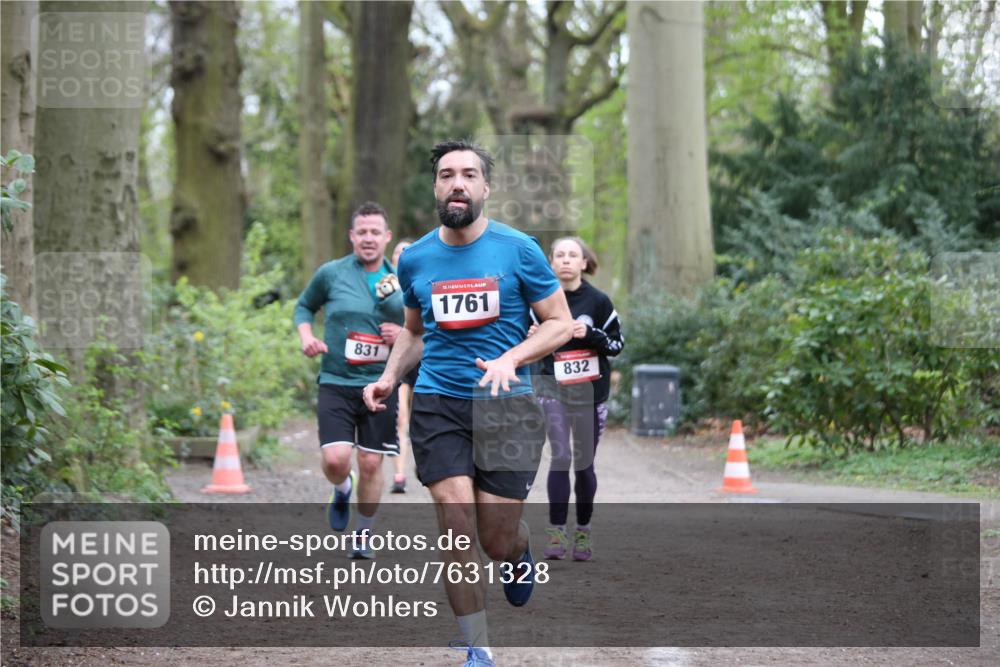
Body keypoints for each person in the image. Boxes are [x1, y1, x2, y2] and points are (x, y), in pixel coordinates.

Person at [363, 140, 573, 667]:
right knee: (456, 526)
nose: (457, 182)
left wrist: (511, 358)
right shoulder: (416, 259)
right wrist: (391, 375)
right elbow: (413, 333)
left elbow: (560, 323)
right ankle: (477, 650)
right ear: (435, 187)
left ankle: (518, 551)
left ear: (484, 187)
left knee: (495, 539)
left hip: (508, 406)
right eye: (446, 174)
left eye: (468, 174)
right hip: (439, 403)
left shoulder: (519, 249)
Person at [294, 201, 404, 559]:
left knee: (372, 462)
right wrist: (306, 336)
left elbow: (420, 329)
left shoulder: (401, 282)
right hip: (337, 380)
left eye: (375, 232)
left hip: (381, 382)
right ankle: (342, 489)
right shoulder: (332, 273)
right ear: (352, 236)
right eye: (362, 232)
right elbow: (304, 306)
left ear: (387, 237)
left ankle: (364, 534)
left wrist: (399, 333)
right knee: (336, 461)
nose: (368, 238)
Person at [528, 237, 623, 562]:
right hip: (552, 389)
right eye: (560, 255)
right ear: (551, 263)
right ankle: (556, 531)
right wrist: (532, 336)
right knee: (561, 456)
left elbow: (617, 345)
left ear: (584, 262)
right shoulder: (539, 301)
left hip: (590, 393)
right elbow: (520, 341)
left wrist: (591, 335)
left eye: (573, 255)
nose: (566, 260)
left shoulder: (599, 301)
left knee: (584, 465)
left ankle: (583, 530)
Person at [390, 238, 416, 493]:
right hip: (399, 361)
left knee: (422, 418)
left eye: (409, 250)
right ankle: (399, 475)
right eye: (399, 251)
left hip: (425, 359)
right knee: (400, 418)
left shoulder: (426, 277)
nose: (403, 255)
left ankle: (428, 462)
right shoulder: (385, 286)